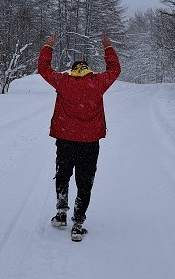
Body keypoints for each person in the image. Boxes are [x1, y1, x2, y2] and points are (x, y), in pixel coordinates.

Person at [38, 32, 121, 241]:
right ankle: (77, 224)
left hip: (65, 140)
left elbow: (43, 69)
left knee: (63, 174)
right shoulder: (97, 83)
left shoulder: (64, 82)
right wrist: (108, 48)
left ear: (74, 71)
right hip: (89, 142)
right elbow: (115, 70)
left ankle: (61, 214)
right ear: (88, 71)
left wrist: (48, 46)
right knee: (85, 181)